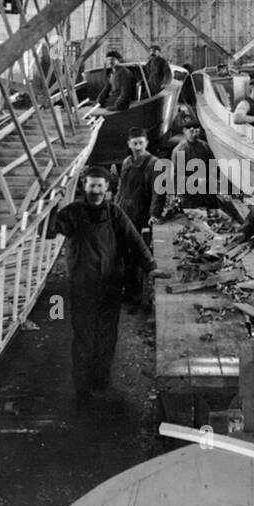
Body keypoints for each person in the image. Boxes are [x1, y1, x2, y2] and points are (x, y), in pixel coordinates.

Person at [49, 165, 159, 403]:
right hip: (82, 285)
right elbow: (50, 231)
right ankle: (82, 389)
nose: (95, 190)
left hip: (110, 285)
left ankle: (102, 381)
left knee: (107, 336)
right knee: (84, 337)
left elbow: (134, 239)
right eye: (91, 185)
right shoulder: (72, 213)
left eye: (100, 185)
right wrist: (51, 206)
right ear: (84, 186)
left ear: (107, 188)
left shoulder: (115, 213)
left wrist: (151, 266)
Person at [116, 127, 165, 306]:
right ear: (129, 144)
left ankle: (137, 295)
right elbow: (120, 189)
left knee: (138, 255)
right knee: (122, 255)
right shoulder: (127, 162)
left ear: (147, 143)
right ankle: (127, 291)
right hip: (123, 213)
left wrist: (154, 214)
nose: (137, 146)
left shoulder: (154, 163)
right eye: (134, 143)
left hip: (140, 215)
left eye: (140, 143)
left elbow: (158, 192)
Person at [167, 120, 217, 210]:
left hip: (205, 191)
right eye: (191, 131)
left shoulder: (205, 146)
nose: (194, 134)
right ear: (184, 131)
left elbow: (213, 166)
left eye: (197, 131)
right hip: (188, 194)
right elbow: (175, 176)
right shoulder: (179, 150)